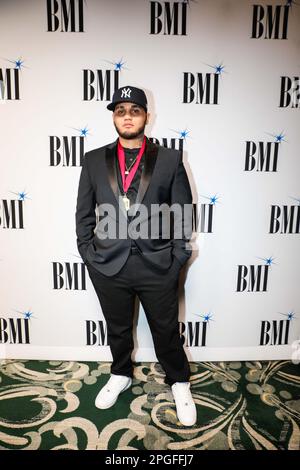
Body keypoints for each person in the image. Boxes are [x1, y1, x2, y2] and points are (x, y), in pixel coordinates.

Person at [75, 85, 196, 426]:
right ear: (114, 117)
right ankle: (120, 373)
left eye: (134, 110)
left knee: (166, 330)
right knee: (117, 329)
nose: (127, 116)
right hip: (107, 263)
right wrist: (87, 253)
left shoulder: (170, 159)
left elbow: (182, 211)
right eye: (120, 111)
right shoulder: (93, 159)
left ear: (146, 116)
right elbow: (84, 212)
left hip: (157, 264)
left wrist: (177, 258)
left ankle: (179, 381)